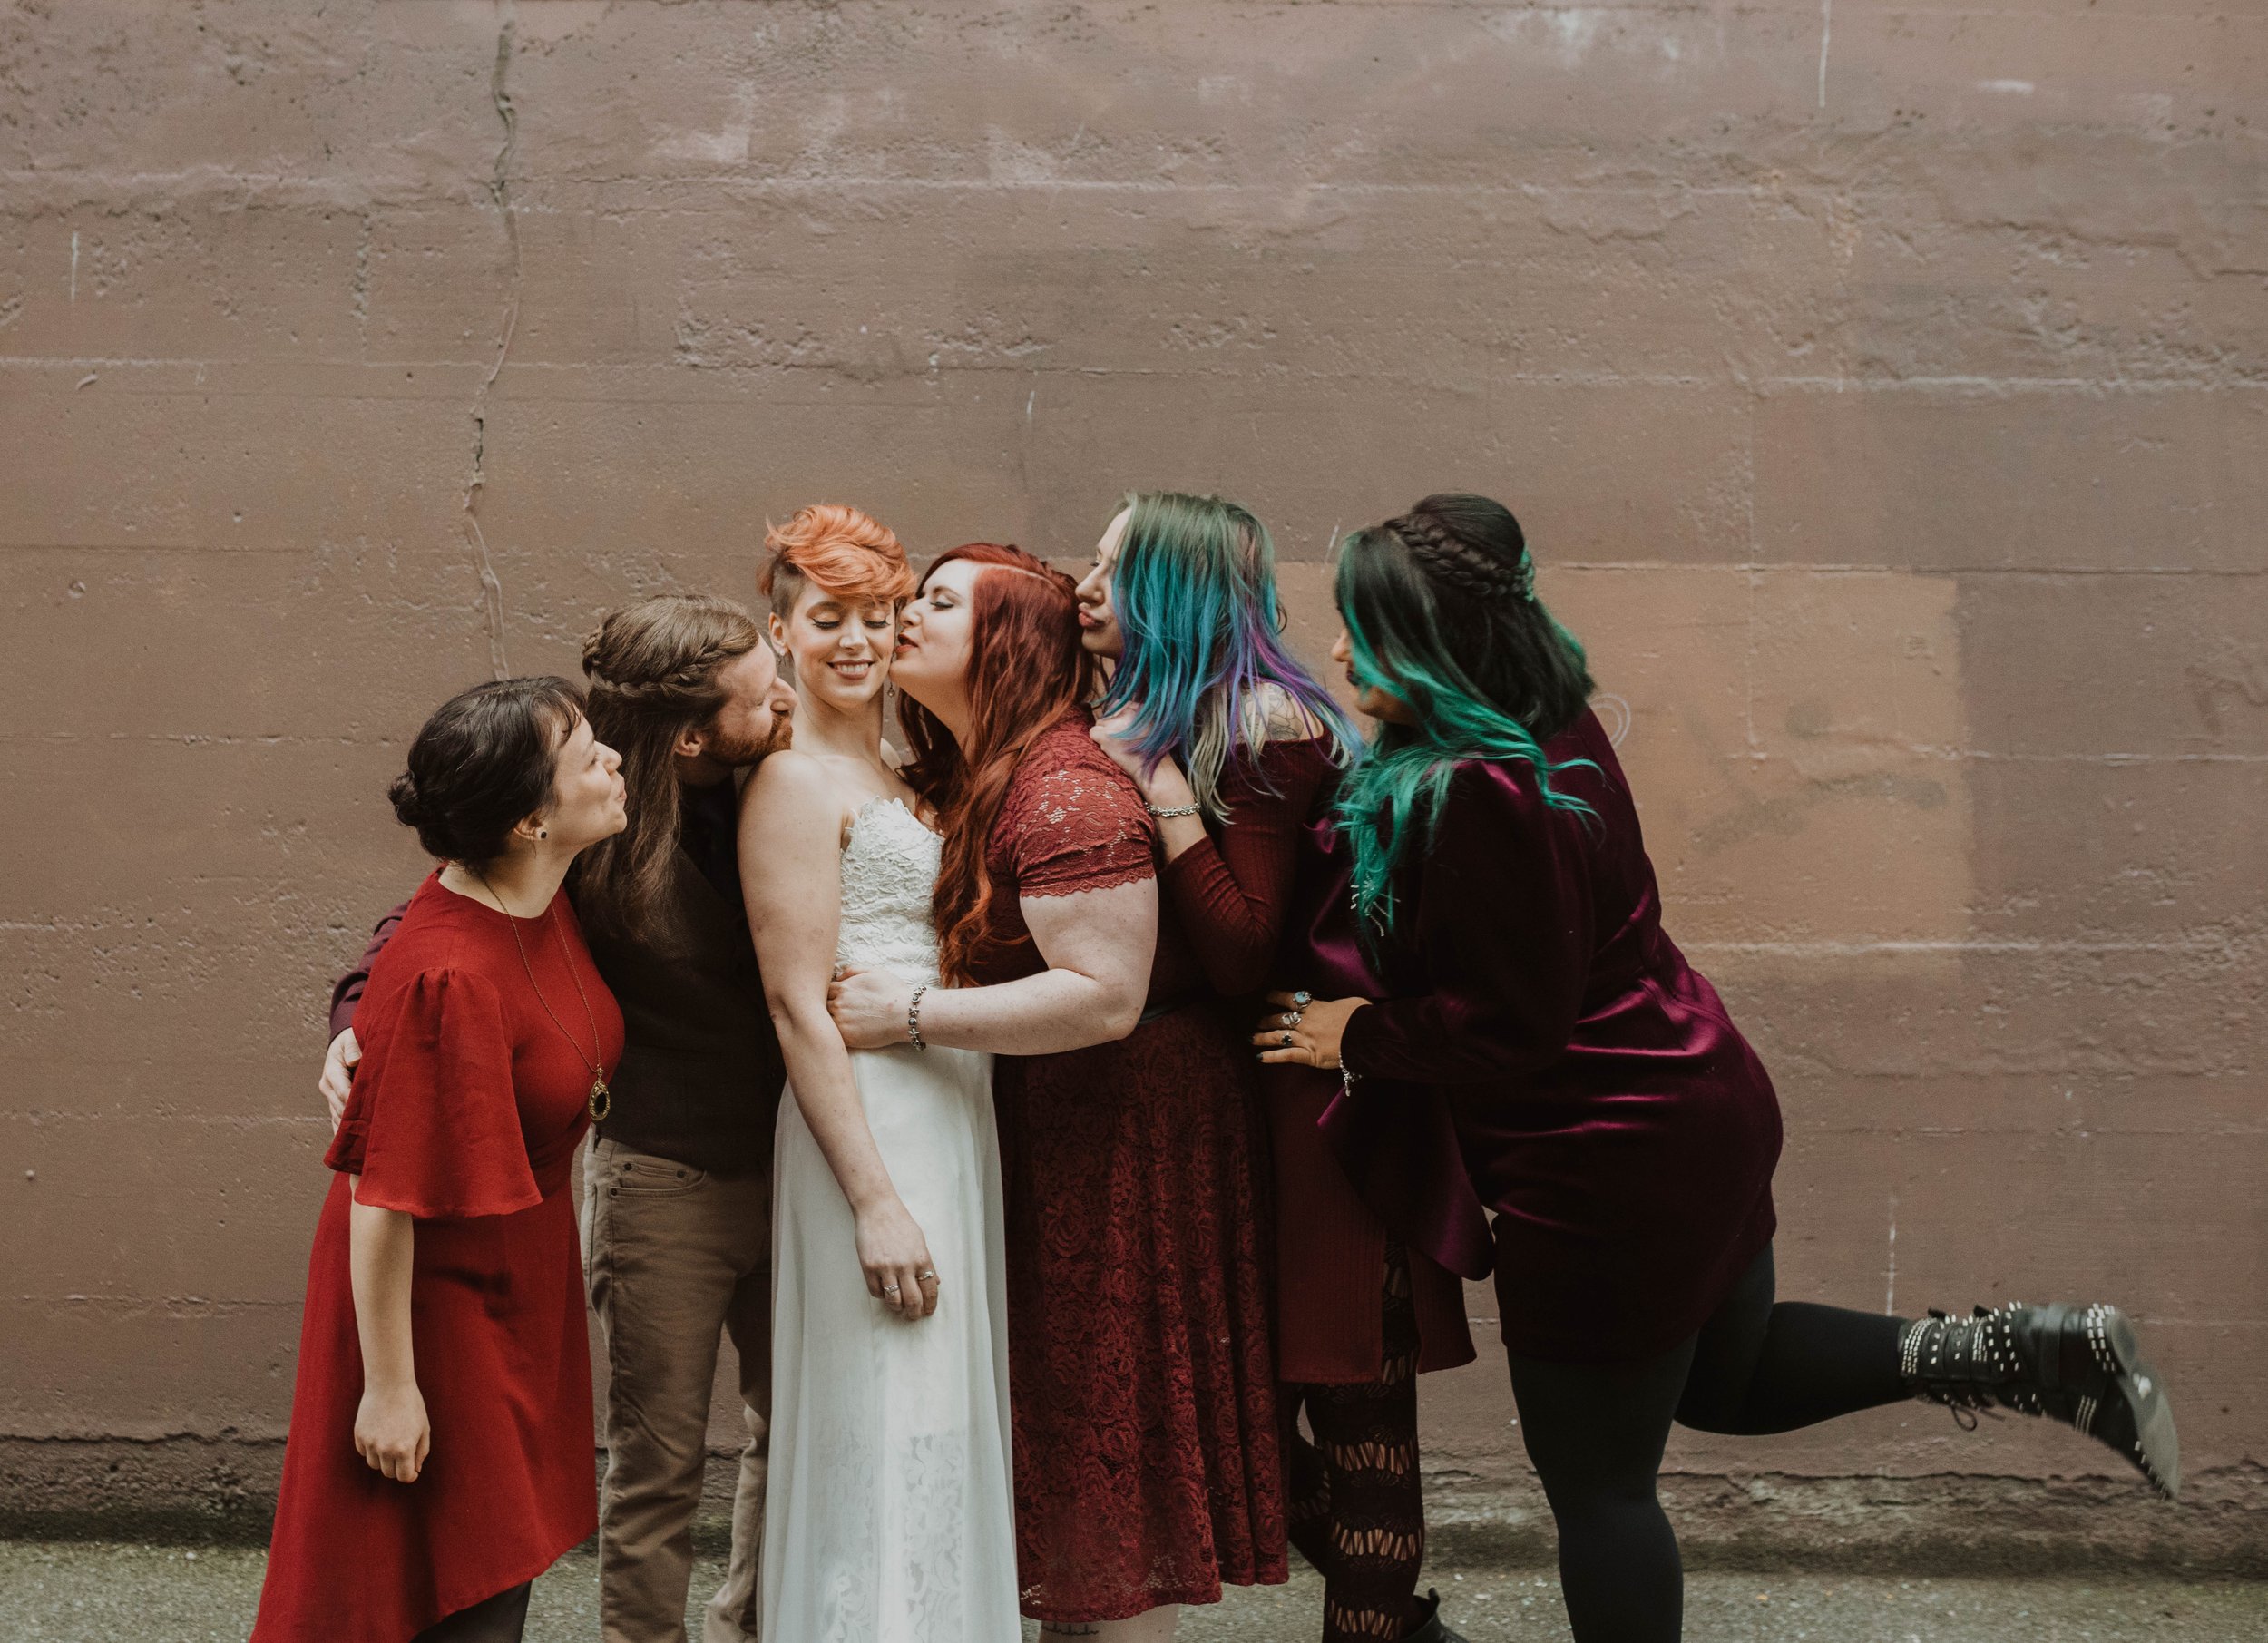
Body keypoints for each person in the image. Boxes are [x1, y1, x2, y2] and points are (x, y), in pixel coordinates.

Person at [1256, 493, 2183, 1643]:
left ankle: (2027, 1353)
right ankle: (2031, 1352)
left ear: (1437, 644)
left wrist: (1355, 1033)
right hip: (1697, 1103)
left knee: (1600, 1489)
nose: (1336, 647)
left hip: (1601, 1165)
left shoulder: (1481, 791)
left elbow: (1511, 1028)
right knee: (1722, 1381)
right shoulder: (1541, 721)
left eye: (1361, 626)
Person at [828, 543, 1287, 1642]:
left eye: (937, 602)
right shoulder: (984, 765)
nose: (904, 617)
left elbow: (1101, 994)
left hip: (1123, 1139)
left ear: (1004, 642)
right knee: (1058, 1440)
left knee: (1101, 1449)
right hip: (1054, 1123)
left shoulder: (1067, 789)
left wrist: (908, 1015)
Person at [317, 594, 796, 1643]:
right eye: (766, 691)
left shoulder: (776, 777)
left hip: (767, 1170)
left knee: (784, 1433)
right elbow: (431, 923)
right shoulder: (587, 831)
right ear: (692, 730)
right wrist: (362, 1018)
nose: (790, 698)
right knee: (629, 1470)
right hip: (641, 1179)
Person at [1077, 493, 1471, 1643]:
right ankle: (1399, 1623)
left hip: (1329, 1120)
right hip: (1267, 1107)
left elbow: (1247, 944)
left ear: (1169, 588)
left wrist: (1167, 810)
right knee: (1260, 1413)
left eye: (1111, 562)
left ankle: (1386, 1623)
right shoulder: (1187, 709)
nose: (1084, 581)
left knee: (1360, 1422)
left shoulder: (1256, 722)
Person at [253, 678, 628, 1643]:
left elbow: (395, 946)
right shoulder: (451, 974)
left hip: (511, 1271)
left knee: (489, 1563)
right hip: (427, 1304)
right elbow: (382, 1200)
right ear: (530, 818)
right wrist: (389, 1386)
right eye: (590, 755)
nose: (615, 761)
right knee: (440, 1579)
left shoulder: (530, 889)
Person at [738, 504, 1020, 1640]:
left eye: (877, 614)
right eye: (827, 617)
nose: (856, 639)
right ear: (780, 628)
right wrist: (873, 1202)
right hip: (869, 1128)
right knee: (881, 1407)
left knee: (940, 1413)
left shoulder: (909, 765)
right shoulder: (791, 785)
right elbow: (795, 1007)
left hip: (952, 1110)